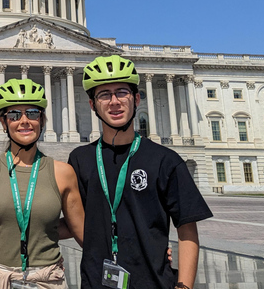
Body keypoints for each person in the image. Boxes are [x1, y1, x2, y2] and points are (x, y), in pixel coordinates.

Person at [68, 55, 213, 289]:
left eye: (121, 92)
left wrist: (184, 286)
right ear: (92, 105)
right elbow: (73, 220)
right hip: (96, 282)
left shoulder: (165, 160)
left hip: (152, 282)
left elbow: (187, 230)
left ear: (136, 99)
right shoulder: (79, 159)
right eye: (104, 95)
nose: (114, 101)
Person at [0, 78, 85, 289]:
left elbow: (82, 232)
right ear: (4, 122)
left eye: (32, 113)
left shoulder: (63, 173)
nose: (24, 120)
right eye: (14, 115)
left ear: (42, 120)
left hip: (45, 280)